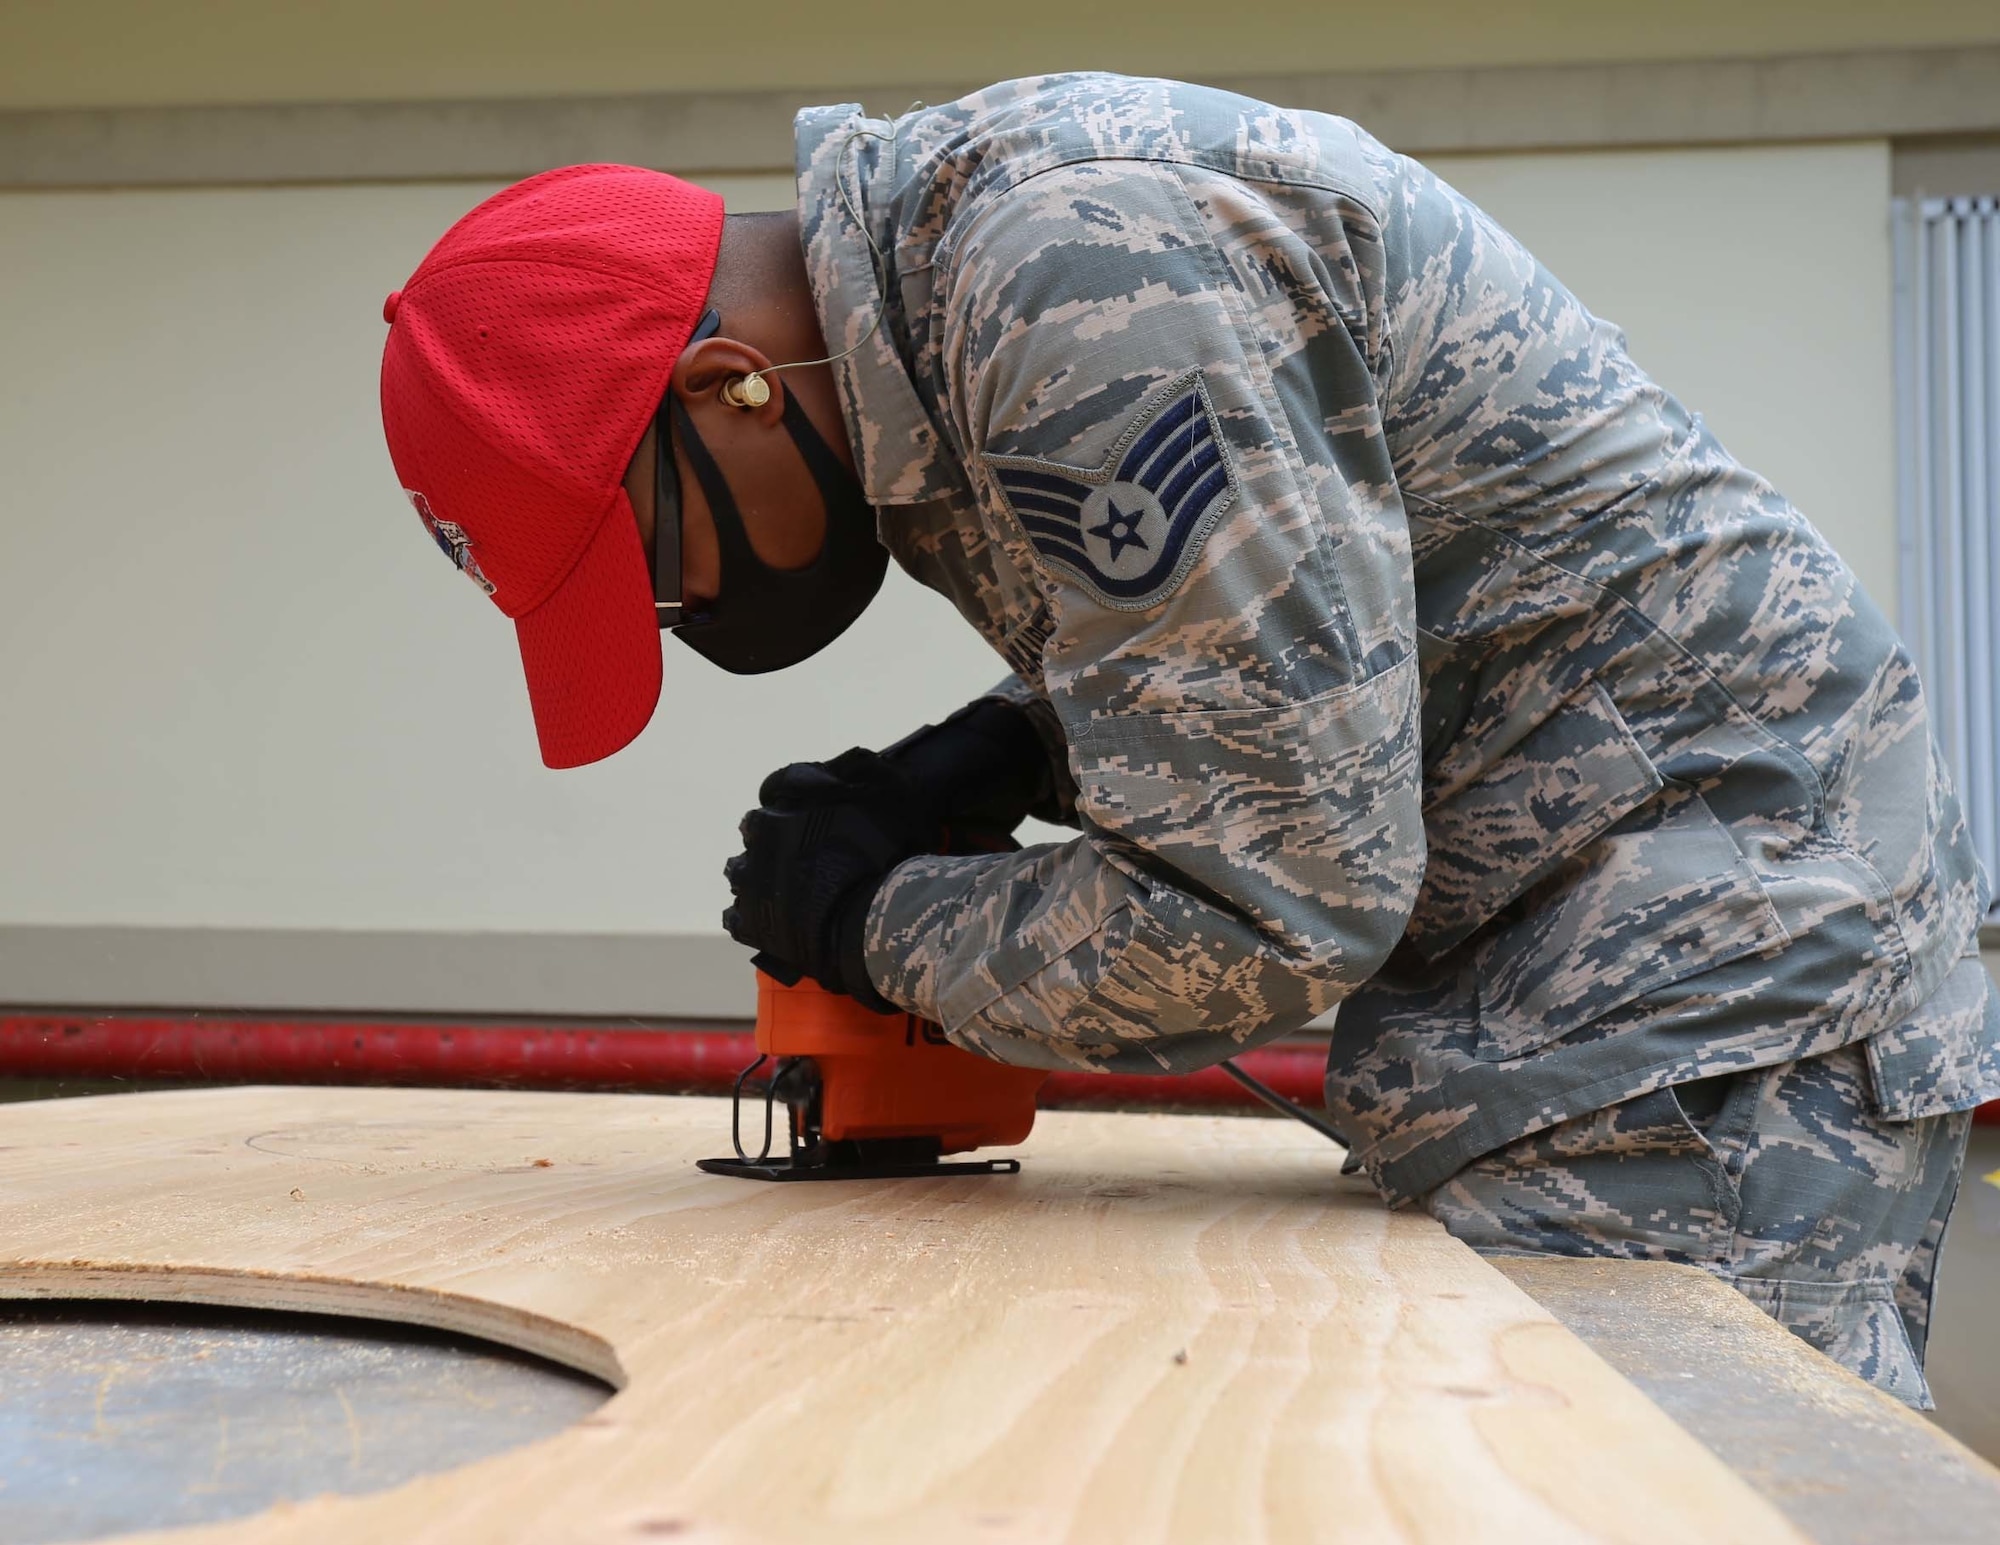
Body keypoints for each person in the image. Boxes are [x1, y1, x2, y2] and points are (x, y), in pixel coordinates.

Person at [378, 73, 1999, 1406]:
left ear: (731, 387)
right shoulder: (957, 300)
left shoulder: (1066, 280)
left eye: (655, 574)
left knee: (1635, 1490)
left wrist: (882, 922)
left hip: (1712, 978)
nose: (677, 623)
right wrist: (997, 756)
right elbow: (1275, 635)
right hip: (1608, 949)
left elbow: (1276, 904)